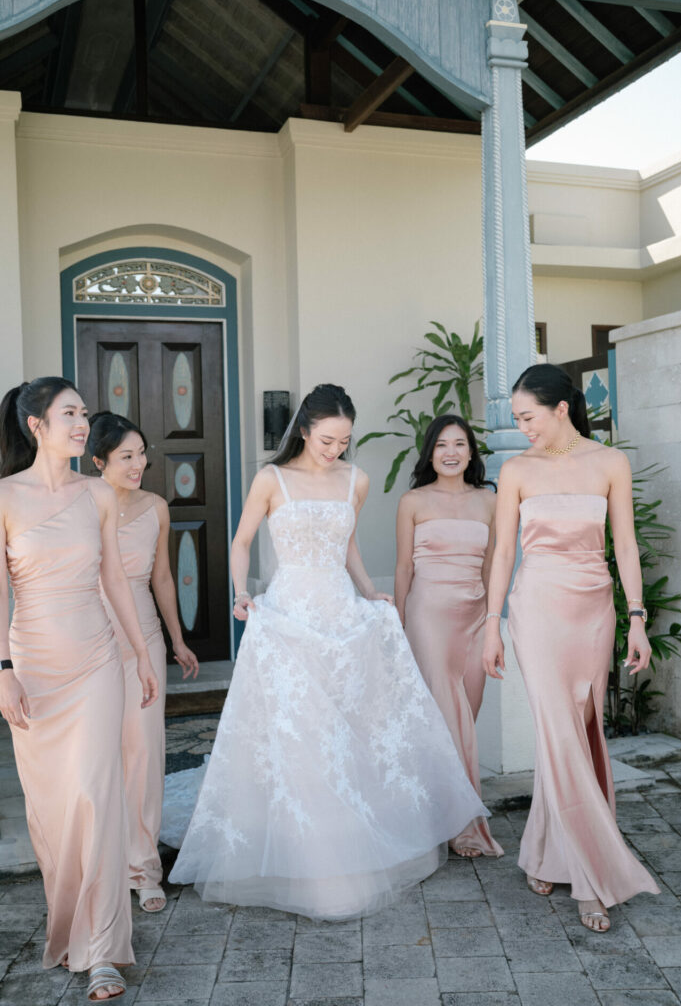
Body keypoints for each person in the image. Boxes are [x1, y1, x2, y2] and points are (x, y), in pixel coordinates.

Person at [168, 383, 488, 919]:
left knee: (346, 732)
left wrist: (369, 592)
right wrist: (241, 593)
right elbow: (242, 540)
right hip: (290, 614)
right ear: (304, 430)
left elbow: (348, 546)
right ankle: (303, 850)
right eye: (326, 439)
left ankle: (353, 838)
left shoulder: (355, 480)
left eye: (343, 441)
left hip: (342, 615)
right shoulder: (272, 479)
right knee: (300, 732)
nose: (334, 449)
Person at [482, 363, 659, 933]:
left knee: (581, 731)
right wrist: (491, 624)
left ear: (561, 407)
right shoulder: (516, 471)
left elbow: (625, 546)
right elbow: (503, 554)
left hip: (593, 609)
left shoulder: (610, 462)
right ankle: (589, 876)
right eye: (516, 419)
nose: (522, 427)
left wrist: (637, 619)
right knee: (556, 731)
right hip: (535, 608)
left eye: (528, 416)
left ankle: (544, 853)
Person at [0, 378, 158, 1001]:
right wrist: (2, 669)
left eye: (83, 414)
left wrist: (144, 657)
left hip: (97, 660)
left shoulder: (97, 494)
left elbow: (116, 582)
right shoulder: (4, 498)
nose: (80, 423)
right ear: (36, 424)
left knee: (96, 795)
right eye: (69, 413)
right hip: (34, 665)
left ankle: (101, 953)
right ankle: (71, 926)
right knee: (56, 813)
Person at [88, 412, 199, 914]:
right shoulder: (79, 504)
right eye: (126, 456)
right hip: (89, 639)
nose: (140, 463)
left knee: (144, 753)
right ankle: (101, 867)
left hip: (145, 642)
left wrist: (177, 640)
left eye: (141, 453)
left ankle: (144, 867)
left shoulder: (157, 506)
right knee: (97, 756)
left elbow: (162, 580)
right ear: (97, 462)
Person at [395, 415, 502, 858]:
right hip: (428, 617)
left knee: (465, 719)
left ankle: (435, 807)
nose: (451, 452)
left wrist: (494, 620)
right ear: (430, 453)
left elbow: (493, 566)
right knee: (445, 717)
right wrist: (398, 627)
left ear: (472, 452)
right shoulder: (413, 501)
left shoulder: (490, 501)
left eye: (460, 444)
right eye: (442, 445)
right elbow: (403, 568)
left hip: (476, 616)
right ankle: (460, 827)